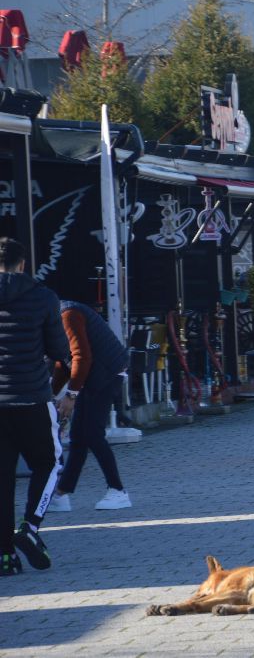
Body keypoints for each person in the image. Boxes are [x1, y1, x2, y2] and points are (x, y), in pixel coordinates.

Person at [0, 237, 72, 576]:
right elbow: (60, 349)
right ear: (23, 264)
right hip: (31, 396)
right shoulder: (44, 297)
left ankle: (4, 558)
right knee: (49, 462)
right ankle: (28, 527)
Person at [46, 300, 132, 512]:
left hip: (106, 373)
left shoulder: (68, 315)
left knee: (92, 434)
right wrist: (52, 395)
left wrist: (71, 394)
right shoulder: (59, 316)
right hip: (95, 374)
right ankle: (61, 494)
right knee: (78, 437)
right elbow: (63, 359)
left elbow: (81, 356)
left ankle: (118, 491)